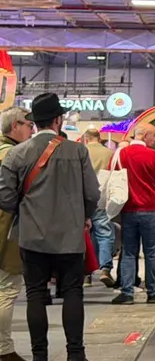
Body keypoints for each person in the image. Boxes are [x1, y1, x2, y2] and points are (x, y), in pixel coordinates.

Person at [0, 94, 100, 361]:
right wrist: (84, 215)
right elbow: (93, 193)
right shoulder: (78, 151)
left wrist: (26, 209)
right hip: (70, 237)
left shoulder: (17, 154)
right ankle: (75, 354)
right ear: (58, 120)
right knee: (73, 291)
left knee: (35, 293)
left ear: (35, 122)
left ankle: (39, 355)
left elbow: (5, 198)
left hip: (32, 237)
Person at [111, 123, 155, 305]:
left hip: (128, 209)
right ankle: (153, 293)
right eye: (154, 135)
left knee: (129, 252)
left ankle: (127, 293)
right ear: (144, 136)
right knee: (152, 252)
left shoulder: (122, 154)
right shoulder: (153, 156)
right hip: (150, 209)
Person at [0, 106, 34, 361]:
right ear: (15, 126)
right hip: (6, 230)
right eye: (29, 125)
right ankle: (4, 349)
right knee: (7, 288)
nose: (32, 130)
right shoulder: (11, 155)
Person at [82, 128, 115, 288]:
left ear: (86, 139)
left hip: (84, 197)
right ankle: (105, 269)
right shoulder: (109, 153)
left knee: (85, 235)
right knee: (104, 234)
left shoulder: (82, 151)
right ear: (99, 138)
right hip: (102, 198)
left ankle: (86, 275)